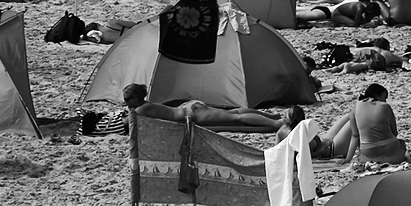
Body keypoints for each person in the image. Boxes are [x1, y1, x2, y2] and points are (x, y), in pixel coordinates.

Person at [122, 84, 281, 130]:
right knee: (234, 112)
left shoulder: (140, 110)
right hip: (188, 107)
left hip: (191, 114)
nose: (126, 102)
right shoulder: (146, 104)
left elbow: (127, 124)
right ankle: (270, 117)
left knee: (235, 117)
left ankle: (275, 124)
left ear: (136, 97)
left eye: (128, 99)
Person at [343, 83, 406, 164]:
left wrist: (348, 159)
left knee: (362, 148)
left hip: (369, 150)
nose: (385, 100)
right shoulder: (385, 106)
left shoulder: (355, 108)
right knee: (401, 143)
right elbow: (394, 132)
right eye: (384, 97)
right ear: (377, 95)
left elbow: (355, 136)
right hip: (390, 147)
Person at [276, 106, 351, 159]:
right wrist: (319, 152)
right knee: (352, 121)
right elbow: (303, 157)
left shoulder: (283, 130)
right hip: (333, 150)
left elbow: (276, 152)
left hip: (327, 140)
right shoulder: (300, 136)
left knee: (349, 116)